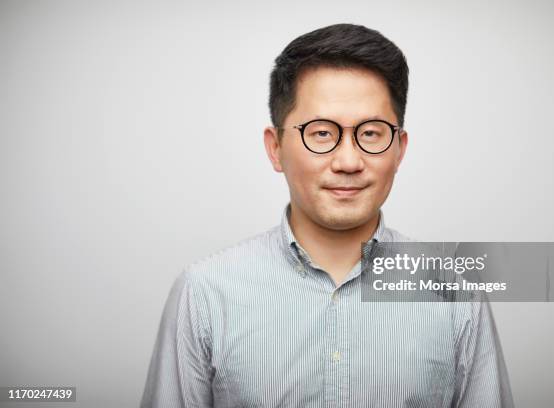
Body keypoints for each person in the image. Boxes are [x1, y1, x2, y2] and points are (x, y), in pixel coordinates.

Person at [140, 23, 514, 407]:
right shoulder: (203, 293)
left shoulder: (455, 293)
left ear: (399, 149)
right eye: (320, 133)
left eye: (371, 133)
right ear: (276, 148)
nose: (349, 161)